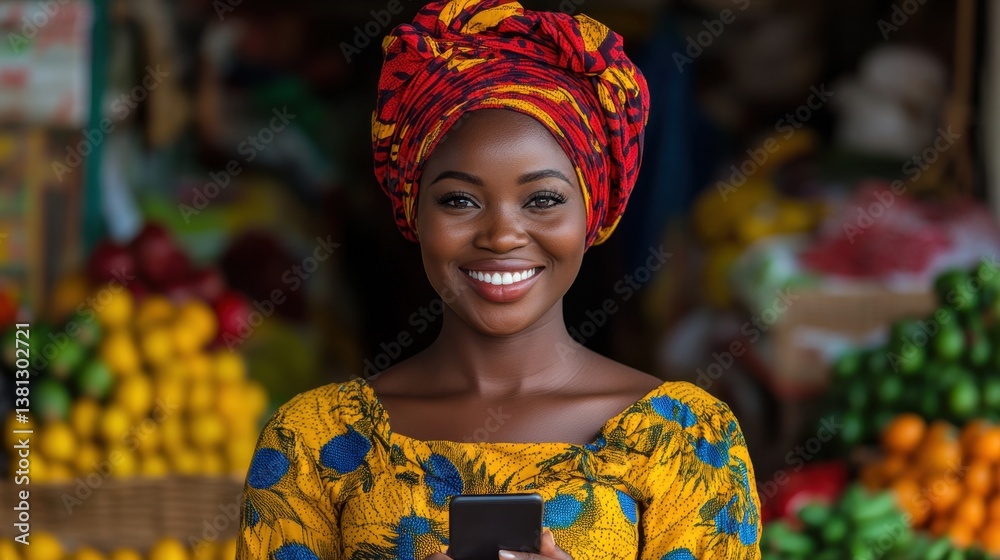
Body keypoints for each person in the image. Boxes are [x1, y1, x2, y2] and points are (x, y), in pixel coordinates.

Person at [236, 1, 761, 558]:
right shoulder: (312, 441)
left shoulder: (687, 439)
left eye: (543, 200)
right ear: (414, 211)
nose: (502, 234)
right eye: (460, 199)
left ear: (593, 214)